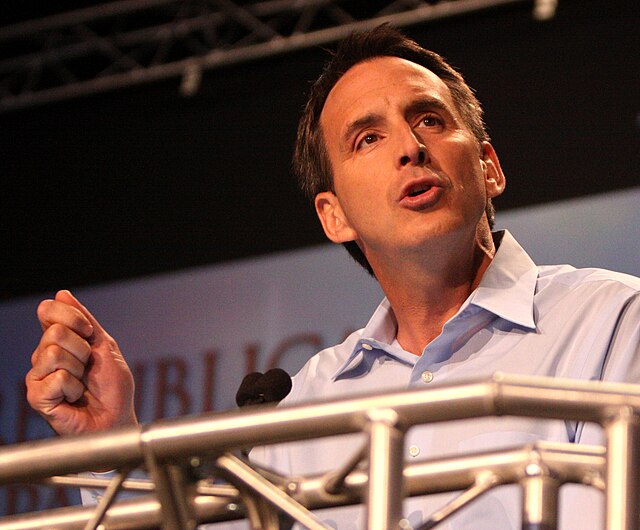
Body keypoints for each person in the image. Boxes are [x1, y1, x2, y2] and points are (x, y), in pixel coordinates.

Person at [26, 25, 640, 529]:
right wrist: (112, 446)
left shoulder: (613, 323)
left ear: (489, 165)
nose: (409, 146)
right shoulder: (302, 405)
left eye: (429, 119)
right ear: (334, 214)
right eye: (367, 138)